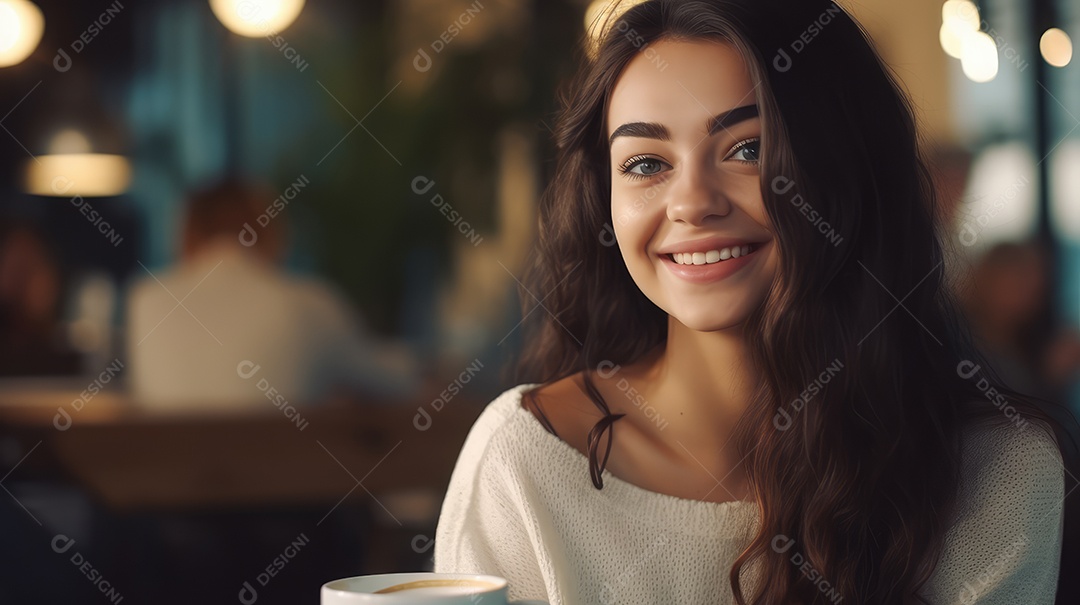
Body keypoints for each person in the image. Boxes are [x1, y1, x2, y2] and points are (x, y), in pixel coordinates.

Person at [433, 1, 1077, 604]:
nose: (691, 202)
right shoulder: (525, 462)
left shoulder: (999, 472)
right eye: (645, 164)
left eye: (747, 149)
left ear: (846, 173)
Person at [126, 180, 419, 408]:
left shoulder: (144, 300)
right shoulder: (309, 302)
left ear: (186, 235)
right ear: (272, 232)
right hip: (300, 484)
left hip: (165, 483)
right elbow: (395, 382)